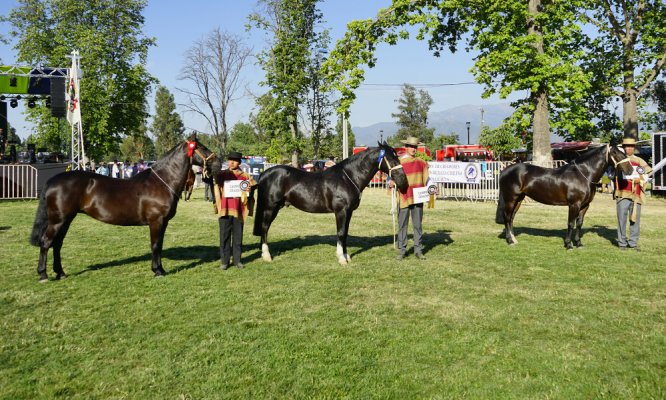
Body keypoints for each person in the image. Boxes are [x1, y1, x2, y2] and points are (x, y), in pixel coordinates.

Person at [389, 136, 430, 261]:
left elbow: (427, 179)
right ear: (406, 147)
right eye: (411, 146)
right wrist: (390, 182)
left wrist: (432, 187)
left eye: (415, 147)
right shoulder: (398, 162)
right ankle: (402, 250)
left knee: (417, 225)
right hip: (404, 197)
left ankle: (418, 249)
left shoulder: (421, 163)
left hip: (417, 197)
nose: (413, 149)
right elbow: (391, 177)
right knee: (402, 225)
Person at [214, 151, 256, 269]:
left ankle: (237, 260)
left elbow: (253, 186)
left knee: (238, 237)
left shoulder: (245, 176)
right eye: (230, 160)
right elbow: (211, 179)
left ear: (239, 162)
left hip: (239, 210)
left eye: (235, 160)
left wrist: (250, 188)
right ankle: (224, 261)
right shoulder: (221, 174)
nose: (231, 162)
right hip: (225, 210)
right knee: (224, 236)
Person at [615, 137, 652, 251]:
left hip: (636, 194)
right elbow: (612, 175)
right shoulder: (619, 160)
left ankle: (633, 243)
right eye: (627, 146)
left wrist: (640, 180)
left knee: (635, 219)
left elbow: (648, 173)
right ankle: (622, 243)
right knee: (621, 219)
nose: (629, 148)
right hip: (623, 194)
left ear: (634, 148)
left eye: (631, 146)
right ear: (624, 148)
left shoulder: (639, 161)